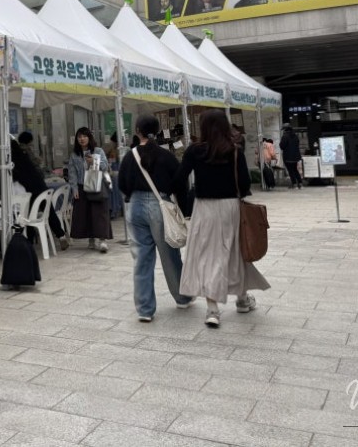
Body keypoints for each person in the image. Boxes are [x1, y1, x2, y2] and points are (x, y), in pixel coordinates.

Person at [173, 109, 270, 328]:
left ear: (203, 127)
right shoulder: (234, 151)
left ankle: (213, 309)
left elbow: (179, 179)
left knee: (208, 256)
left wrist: (180, 202)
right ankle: (242, 299)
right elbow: (244, 185)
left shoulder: (194, 151)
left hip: (204, 208)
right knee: (234, 253)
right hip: (230, 208)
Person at [118, 115, 193, 322]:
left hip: (134, 207)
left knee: (142, 259)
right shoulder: (166, 156)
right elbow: (180, 183)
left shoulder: (129, 156)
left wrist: (132, 195)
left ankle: (144, 309)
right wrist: (184, 209)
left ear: (137, 131)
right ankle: (182, 297)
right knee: (170, 255)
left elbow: (122, 184)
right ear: (158, 131)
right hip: (160, 205)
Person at [11, 140, 69, 250]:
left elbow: (15, 177)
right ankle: (61, 236)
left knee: (27, 215)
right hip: (42, 187)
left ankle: (30, 240)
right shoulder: (25, 156)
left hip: (31, 192)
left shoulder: (13, 162)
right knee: (50, 212)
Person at [67, 127, 111, 252]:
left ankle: (102, 240)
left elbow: (105, 167)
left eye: (85, 136)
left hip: (96, 184)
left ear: (89, 138)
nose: (82, 139)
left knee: (99, 213)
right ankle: (91, 239)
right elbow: (72, 173)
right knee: (85, 213)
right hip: (81, 186)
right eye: (79, 136)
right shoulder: (74, 155)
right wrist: (74, 188)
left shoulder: (98, 151)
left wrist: (94, 161)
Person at [279, 124, 303, 189]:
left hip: (288, 156)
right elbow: (297, 144)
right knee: (295, 170)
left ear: (285, 129)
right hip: (295, 156)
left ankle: (294, 184)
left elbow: (282, 146)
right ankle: (300, 183)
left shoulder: (285, 136)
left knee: (290, 171)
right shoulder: (295, 136)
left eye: (284, 129)